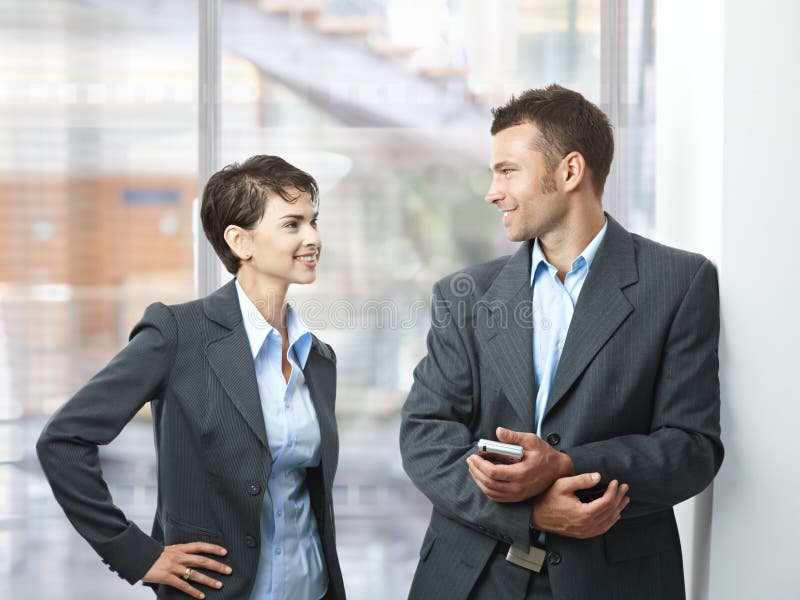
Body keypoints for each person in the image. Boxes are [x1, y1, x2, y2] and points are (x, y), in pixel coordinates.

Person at [399, 85, 722, 599]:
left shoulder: (679, 283)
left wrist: (569, 464)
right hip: (474, 578)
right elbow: (424, 437)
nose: (492, 191)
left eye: (507, 171)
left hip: (613, 580)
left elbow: (691, 449)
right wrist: (528, 511)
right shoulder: (464, 295)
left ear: (570, 171)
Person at [37, 155, 346, 599]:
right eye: (292, 224)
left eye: (314, 222)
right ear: (241, 241)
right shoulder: (177, 334)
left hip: (311, 588)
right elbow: (63, 440)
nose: (313, 238)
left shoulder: (317, 359)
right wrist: (138, 554)